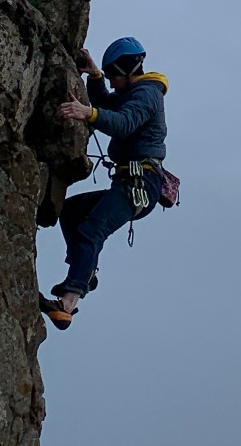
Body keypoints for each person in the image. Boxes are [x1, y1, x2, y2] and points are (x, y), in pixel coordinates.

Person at [40, 36, 170, 330]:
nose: (111, 81)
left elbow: (123, 122)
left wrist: (87, 113)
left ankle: (67, 304)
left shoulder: (147, 94)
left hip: (142, 182)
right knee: (71, 211)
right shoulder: (133, 91)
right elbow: (108, 103)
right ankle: (85, 271)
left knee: (92, 229)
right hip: (131, 181)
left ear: (127, 70)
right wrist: (95, 76)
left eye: (113, 75)